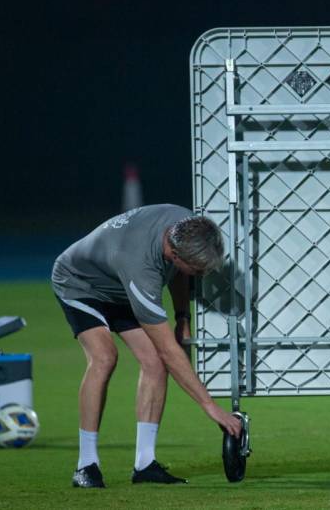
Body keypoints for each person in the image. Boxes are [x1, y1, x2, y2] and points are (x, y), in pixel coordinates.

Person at [52, 204, 242, 488]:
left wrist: (183, 316)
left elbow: (180, 273)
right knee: (105, 357)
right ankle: (86, 466)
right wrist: (211, 406)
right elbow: (170, 351)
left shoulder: (185, 223)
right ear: (174, 254)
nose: (202, 275)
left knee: (153, 362)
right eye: (199, 270)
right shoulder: (140, 266)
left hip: (120, 285)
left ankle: (145, 464)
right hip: (79, 284)